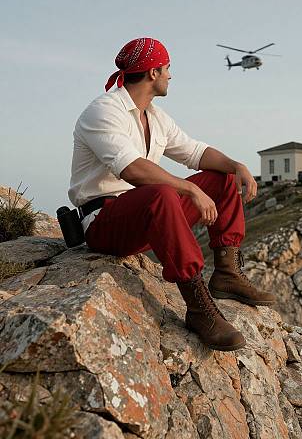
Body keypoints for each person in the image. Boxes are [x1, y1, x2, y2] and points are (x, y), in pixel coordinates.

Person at [68, 37, 275, 352]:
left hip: (151, 216)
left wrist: (236, 165)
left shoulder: (155, 116)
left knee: (220, 180)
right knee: (162, 193)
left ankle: (227, 274)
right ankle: (198, 308)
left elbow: (195, 152)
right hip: (105, 223)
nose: (170, 75)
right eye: (167, 68)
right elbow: (131, 169)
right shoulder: (104, 110)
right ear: (153, 72)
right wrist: (188, 188)